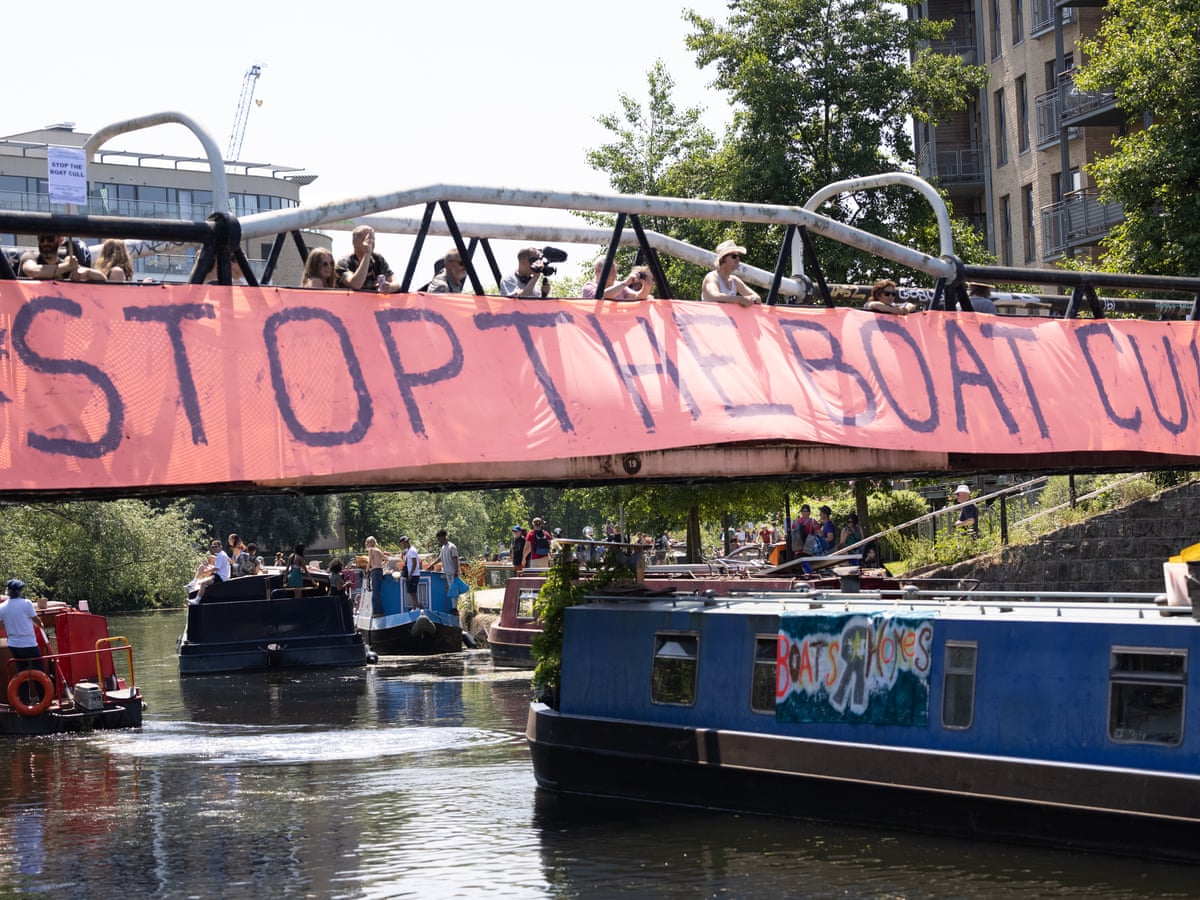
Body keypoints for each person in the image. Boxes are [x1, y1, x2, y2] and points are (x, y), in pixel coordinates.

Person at [0, 579, 43, 703]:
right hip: (29, 644)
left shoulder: (2, 607)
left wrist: (10, 624)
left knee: (21, 671)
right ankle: (43, 698)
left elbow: (1, 625)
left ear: (8, 591)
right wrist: (41, 625)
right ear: (20, 591)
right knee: (38, 671)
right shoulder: (26, 603)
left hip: (14, 645)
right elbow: (36, 620)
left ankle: (24, 700)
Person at [337, 225, 401, 293]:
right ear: (354, 242)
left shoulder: (378, 259)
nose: (370, 242)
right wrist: (367, 253)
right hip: (350, 299)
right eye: (366, 238)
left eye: (373, 238)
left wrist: (389, 287)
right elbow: (356, 285)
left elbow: (397, 284)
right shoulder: (344, 262)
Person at [700, 240, 760, 307]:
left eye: (738, 256)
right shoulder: (712, 277)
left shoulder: (734, 280)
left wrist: (751, 300)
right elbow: (715, 295)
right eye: (734, 256)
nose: (738, 259)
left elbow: (757, 298)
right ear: (723, 259)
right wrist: (740, 299)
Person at [20, 234, 105, 281]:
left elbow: (102, 278)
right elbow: (34, 271)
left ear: (60, 240)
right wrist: (66, 266)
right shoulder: (29, 256)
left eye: (50, 239)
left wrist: (86, 272)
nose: (45, 243)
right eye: (41, 239)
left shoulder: (66, 265)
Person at [436, 529, 461, 614]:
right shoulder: (443, 548)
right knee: (450, 590)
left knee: (454, 591)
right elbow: (440, 558)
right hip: (447, 573)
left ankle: (455, 609)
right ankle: (453, 608)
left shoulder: (452, 547)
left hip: (453, 573)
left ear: (443, 537)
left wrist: (456, 572)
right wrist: (431, 565)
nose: (439, 541)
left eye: (439, 539)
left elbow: (455, 559)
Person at [399, 536, 421, 607]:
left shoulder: (412, 551)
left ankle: (417, 607)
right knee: (410, 592)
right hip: (410, 574)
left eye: (402, 543)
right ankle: (415, 607)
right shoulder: (408, 550)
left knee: (413, 592)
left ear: (404, 542)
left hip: (413, 574)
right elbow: (404, 555)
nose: (402, 545)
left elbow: (414, 563)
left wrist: (411, 574)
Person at [365, 535, 387, 607]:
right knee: (378, 591)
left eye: (368, 542)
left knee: (375, 592)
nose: (367, 544)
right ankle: (379, 609)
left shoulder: (371, 550)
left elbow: (370, 561)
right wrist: (381, 565)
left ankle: (377, 610)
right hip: (380, 570)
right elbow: (387, 559)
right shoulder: (378, 550)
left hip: (375, 571)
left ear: (371, 542)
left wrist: (367, 570)